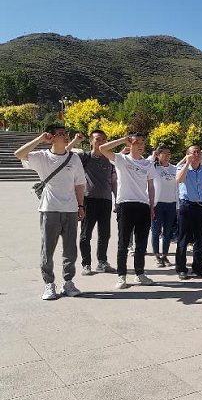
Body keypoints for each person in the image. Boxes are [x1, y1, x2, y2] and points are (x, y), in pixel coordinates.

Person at [15, 125, 86, 300]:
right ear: (51, 137)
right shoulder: (42, 157)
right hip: (49, 209)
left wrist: (81, 206)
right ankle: (49, 284)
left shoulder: (74, 158)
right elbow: (19, 154)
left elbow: (79, 184)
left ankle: (68, 282)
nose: (66, 136)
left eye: (66, 134)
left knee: (70, 250)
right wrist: (40, 139)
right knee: (47, 250)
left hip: (70, 210)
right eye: (61, 134)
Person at [100, 132, 157, 289]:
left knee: (141, 244)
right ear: (130, 144)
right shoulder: (122, 159)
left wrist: (152, 206)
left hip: (143, 205)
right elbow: (103, 148)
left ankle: (140, 274)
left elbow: (151, 187)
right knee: (123, 243)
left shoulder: (148, 164)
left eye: (142, 142)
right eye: (136, 142)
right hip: (125, 205)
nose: (140, 145)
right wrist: (122, 140)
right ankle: (122, 276)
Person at [68, 129, 117, 276]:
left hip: (106, 200)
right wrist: (75, 141)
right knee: (86, 234)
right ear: (91, 141)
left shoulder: (110, 160)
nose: (101, 141)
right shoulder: (85, 157)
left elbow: (113, 181)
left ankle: (102, 261)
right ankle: (86, 264)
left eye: (103, 139)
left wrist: (117, 199)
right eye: (98, 139)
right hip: (88, 200)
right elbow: (65, 153)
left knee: (105, 234)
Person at [174, 145, 202, 279]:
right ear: (188, 155)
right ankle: (181, 268)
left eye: (198, 152)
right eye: (194, 152)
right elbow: (179, 179)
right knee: (183, 238)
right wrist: (187, 163)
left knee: (200, 238)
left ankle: (197, 268)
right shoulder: (182, 167)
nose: (197, 154)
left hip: (201, 206)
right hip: (187, 206)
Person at [151, 145, 178, 267]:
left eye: (169, 154)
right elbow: (148, 162)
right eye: (164, 153)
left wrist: (177, 205)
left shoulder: (174, 169)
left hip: (171, 204)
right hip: (157, 204)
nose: (167, 156)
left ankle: (165, 256)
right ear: (158, 155)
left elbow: (177, 187)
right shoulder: (154, 167)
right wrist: (154, 155)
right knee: (156, 231)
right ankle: (157, 256)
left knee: (167, 232)